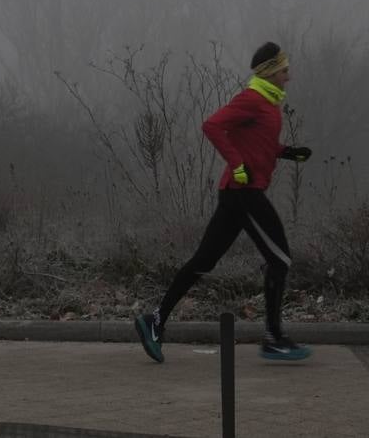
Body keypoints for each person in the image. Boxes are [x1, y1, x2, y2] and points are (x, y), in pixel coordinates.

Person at [134, 41, 313, 363]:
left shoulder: (269, 105)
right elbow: (212, 125)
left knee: (203, 261)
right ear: (271, 71)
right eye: (285, 70)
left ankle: (154, 321)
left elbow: (256, 143)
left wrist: (285, 152)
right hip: (245, 193)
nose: (289, 76)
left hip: (237, 194)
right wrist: (238, 165)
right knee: (281, 260)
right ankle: (273, 338)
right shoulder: (252, 99)